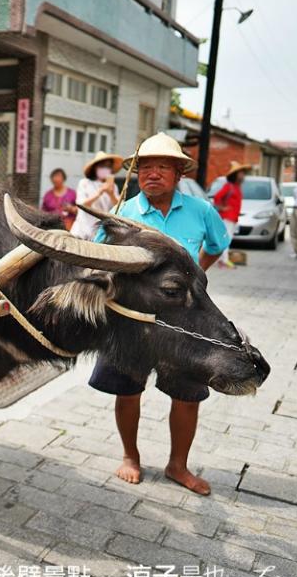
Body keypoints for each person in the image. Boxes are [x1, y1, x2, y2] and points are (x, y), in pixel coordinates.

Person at [90, 133, 229, 496]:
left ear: (179, 173)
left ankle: (178, 466)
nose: (152, 174)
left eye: (162, 167)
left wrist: (193, 280)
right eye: (145, 167)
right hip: (132, 322)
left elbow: (216, 245)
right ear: (136, 174)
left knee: (188, 394)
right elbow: (98, 261)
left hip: (185, 322)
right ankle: (130, 456)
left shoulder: (201, 211)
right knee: (128, 390)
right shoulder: (123, 215)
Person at [69, 152, 123, 240]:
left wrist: (111, 194)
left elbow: (119, 208)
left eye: (108, 166)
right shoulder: (84, 183)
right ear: (95, 168)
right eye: (102, 166)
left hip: (101, 233)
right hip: (82, 231)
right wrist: (99, 193)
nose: (105, 169)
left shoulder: (113, 186)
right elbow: (81, 204)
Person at [211, 161, 251, 268]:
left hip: (233, 217)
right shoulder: (229, 186)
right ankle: (224, 260)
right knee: (226, 240)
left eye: (243, 173)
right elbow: (217, 197)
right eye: (241, 173)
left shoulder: (236, 187)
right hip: (227, 217)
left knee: (228, 239)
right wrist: (222, 207)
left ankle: (222, 260)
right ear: (235, 175)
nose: (243, 175)